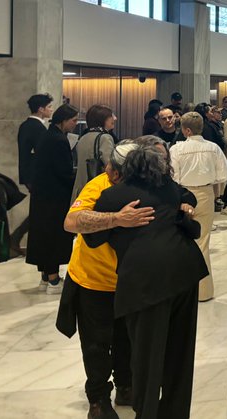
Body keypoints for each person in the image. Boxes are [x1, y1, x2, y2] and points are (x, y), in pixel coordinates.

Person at [83, 143, 206, 419]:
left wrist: (115, 220)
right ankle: (175, 412)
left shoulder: (113, 196)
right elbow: (187, 197)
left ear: (122, 169)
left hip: (145, 279)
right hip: (186, 270)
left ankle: (147, 412)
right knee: (180, 351)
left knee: (147, 353)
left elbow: (92, 239)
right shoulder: (168, 188)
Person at [57, 138, 161, 419]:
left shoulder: (147, 186)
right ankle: (98, 400)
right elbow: (71, 221)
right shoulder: (99, 185)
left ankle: (126, 386)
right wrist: (116, 218)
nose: (106, 168)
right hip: (93, 280)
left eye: (111, 166)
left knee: (127, 339)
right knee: (96, 342)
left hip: (129, 282)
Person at [169, 112, 227, 302]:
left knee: (179, 242)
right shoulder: (213, 148)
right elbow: (224, 175)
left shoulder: (176, 150)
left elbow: (173, 177)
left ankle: (181, 290)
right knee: (202, 242)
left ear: (186, 130)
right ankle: (203, 291)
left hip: (182, 195)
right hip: (205, 194)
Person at [26, 104, 79, 294]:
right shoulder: (58, 140)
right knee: (53, 236)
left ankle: (45, 276)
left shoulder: (47, 136)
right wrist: (79, 179)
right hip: (55, 197)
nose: (75, 124)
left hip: (43, 195)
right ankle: (54, 279)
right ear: (63, 120)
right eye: (73, 120)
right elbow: (63, 172)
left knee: (43, 234)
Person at [13, 93, 53, 256]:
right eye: (49, 107)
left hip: (30, 174)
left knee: (38, 210)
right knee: (40, 210)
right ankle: (17, 238)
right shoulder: (37, 127)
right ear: (41, 109)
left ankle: (16, 238)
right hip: (36, 175)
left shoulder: (26, 125)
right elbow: (42, 152)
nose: (51, 110)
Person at [72, 105, 116, 204]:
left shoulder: (83, 138)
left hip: (81, 187)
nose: (114, 118)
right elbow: (109, 166)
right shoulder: (105, 137)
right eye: (111, 117)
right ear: (102, 119)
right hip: (96, 188)